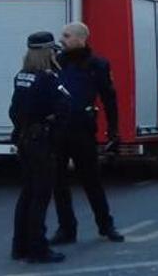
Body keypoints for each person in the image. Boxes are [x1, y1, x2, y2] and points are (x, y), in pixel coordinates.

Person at [50, 22, 123, 245]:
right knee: (59, 183)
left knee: (91, 181)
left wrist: (113, 130)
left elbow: (109, 99)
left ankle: (106, 225)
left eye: (66, 36)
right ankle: (66, 229)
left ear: (81, 39)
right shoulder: (56, 63)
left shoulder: (97, 65)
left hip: (82, 130)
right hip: (58, 130)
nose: (61, 39)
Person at [10, 32, 71, 263]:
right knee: (41, 196)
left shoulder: (22, 76)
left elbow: (13, 111)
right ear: (48, 52)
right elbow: (64, 107)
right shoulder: (49, 78)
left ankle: (20, 245)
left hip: (25, 138)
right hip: (42, 141)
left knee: (27, 193)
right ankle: (38, 248)